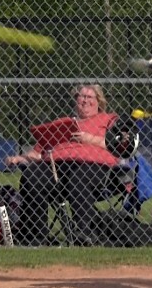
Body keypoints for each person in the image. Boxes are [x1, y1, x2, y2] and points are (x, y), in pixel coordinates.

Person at [6, 84, 119, 246]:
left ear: (99, 102)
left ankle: (83, 234)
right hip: (57, 167)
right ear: (75, 100)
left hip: (93, 165)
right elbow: (39, 153)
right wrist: (20, 158)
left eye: (89, 97)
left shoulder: (108, 120)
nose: (85, 101)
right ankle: (37, 237)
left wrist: (89, 139)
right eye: (81, 96)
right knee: (32, 176)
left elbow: (120, 145)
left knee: (78, 177)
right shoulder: (63, 124)